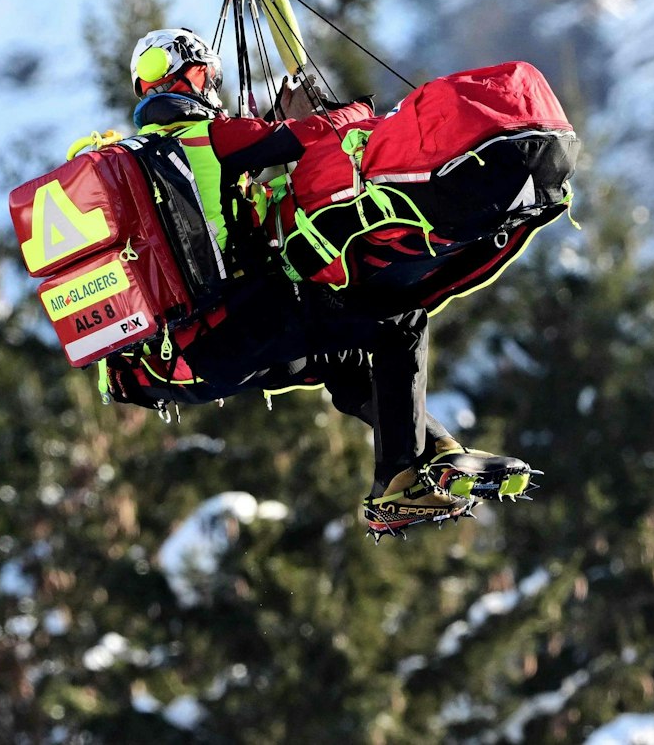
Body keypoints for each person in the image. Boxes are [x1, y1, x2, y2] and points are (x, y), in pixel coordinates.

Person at [108, 27, 533, 535]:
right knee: (400, 323)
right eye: (206, 75)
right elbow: (317, 135)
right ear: (190, 75)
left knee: (346, 363)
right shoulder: (208, 137)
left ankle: (434, 455)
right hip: (236, 327)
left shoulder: (145, 158)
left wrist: (273, 127)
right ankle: (401, 478)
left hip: (177, 365)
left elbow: (225, 191)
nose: (210, 87)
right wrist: (357, 110)